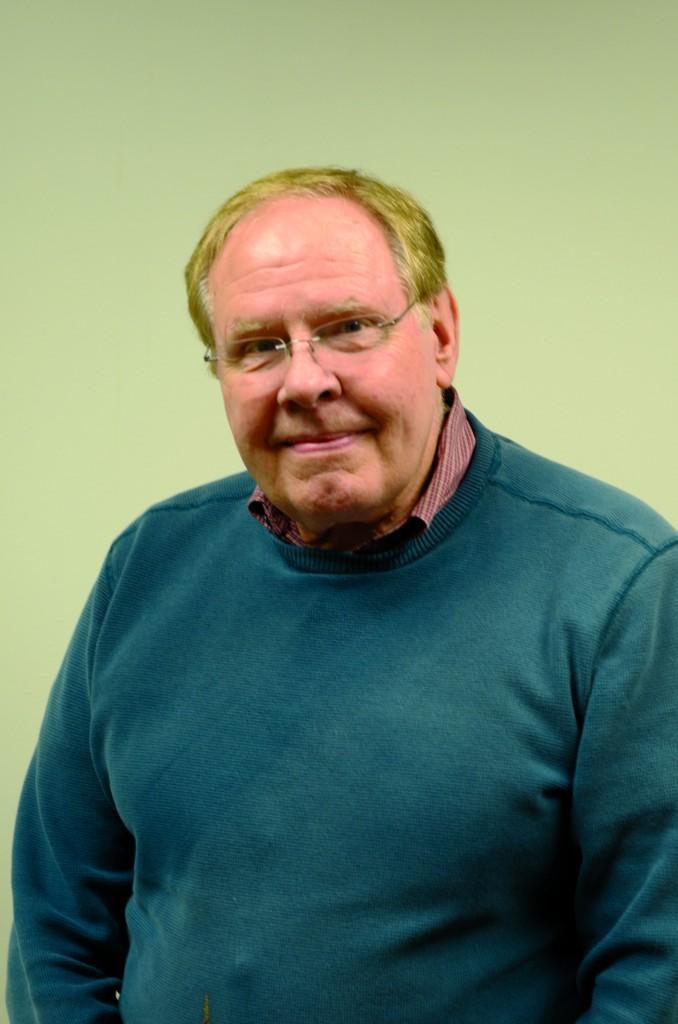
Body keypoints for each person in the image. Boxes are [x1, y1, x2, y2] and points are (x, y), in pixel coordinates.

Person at [7, 166, 678, 1024]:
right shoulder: (146, 567)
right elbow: (55, 927)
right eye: (258, 346)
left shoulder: (616, 585)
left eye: (349, 328)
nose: (306, 381)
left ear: (440, 334)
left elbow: (655, 973)